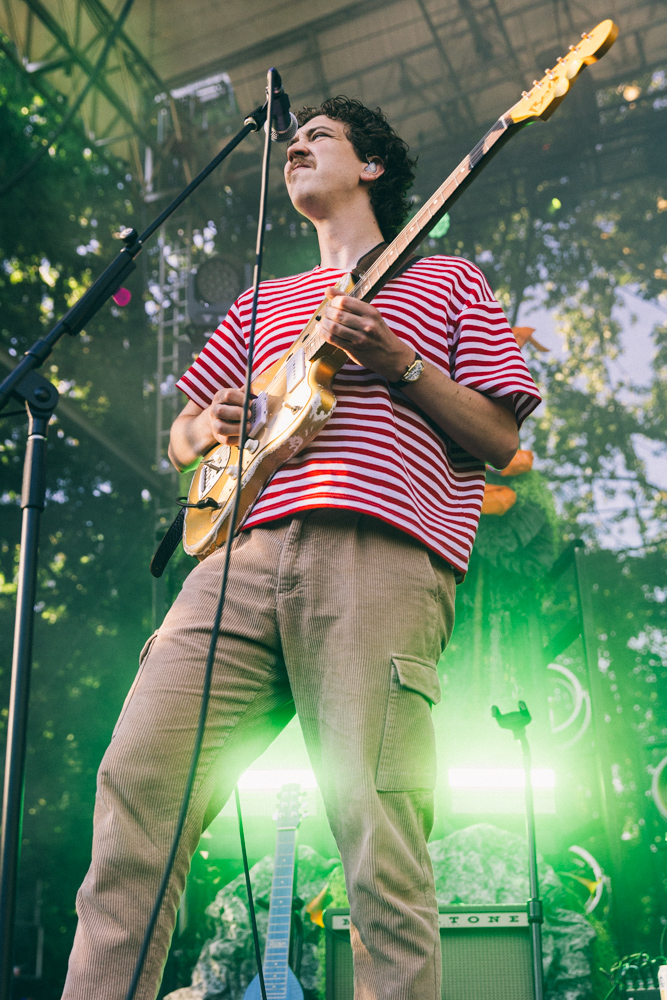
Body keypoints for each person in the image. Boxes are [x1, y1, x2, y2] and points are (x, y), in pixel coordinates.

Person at [62, 97, 540, 1000]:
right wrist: (211, 422)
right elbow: (181, 437)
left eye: (319, 137)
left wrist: (400, 364)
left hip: (380, 554)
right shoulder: (260, 301)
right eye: (291, 139)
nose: (295, 147)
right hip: (236, 557)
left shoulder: (446, 283)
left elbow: (498, 438)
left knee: (375, 826)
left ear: (371, 168)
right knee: (135, 784)